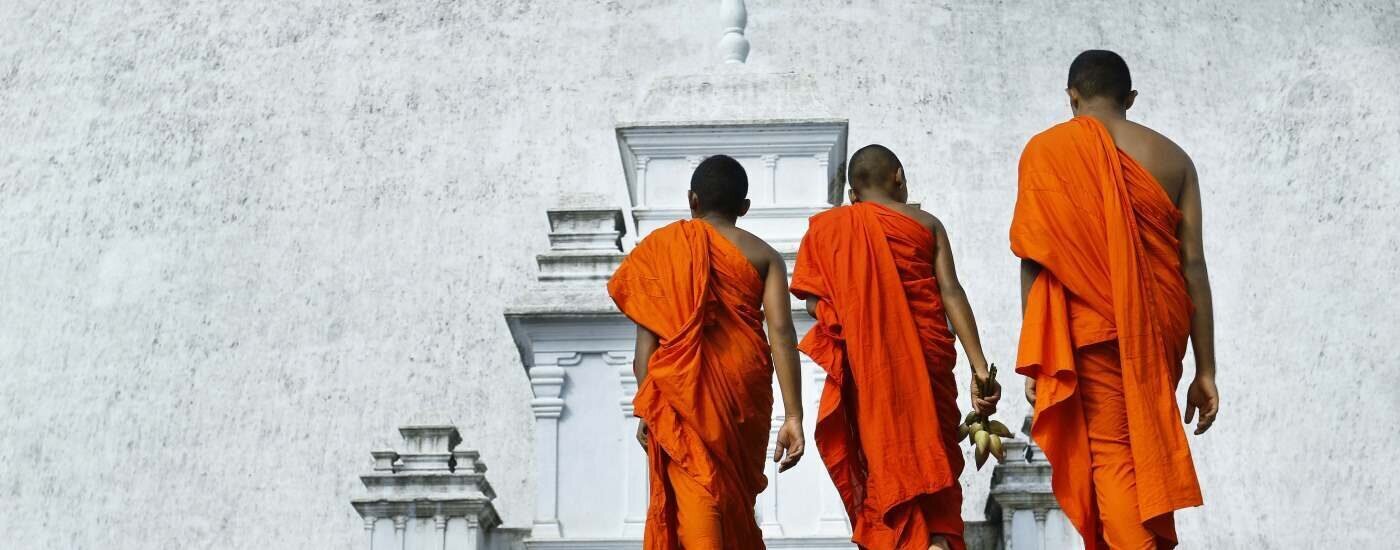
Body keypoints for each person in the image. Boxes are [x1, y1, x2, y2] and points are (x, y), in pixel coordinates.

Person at [1012, 49, 1220, 549]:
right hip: (1157, 332)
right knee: (1137, 451)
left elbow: (1036, 258)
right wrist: (1206, 370)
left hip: (1089, 331)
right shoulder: (1174, 159)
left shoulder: (1046, 150)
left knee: (1114, 457)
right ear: (1129, 98)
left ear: (1072, 96)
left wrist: (1039, 355)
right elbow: (1193, 264)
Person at [792, 144, 1000, 550]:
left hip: (872, 374)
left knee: (885, 465)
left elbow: (815, 303)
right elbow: (951, 292)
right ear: (899, 177)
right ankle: (937, 540)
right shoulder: (927, 224)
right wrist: (979, 368)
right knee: (933, 458)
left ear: (853, 194)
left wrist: (855, 318)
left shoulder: (828, 230)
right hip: (926, 366)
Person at [608, 154, 806, 549]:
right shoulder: (765, 256)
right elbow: (781, 334)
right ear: (744, 208)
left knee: (700, 490)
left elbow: (643, 351)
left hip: (681, 395)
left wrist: (652, 407)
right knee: (729, 497)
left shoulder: (662, 250)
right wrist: (794, 415)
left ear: (691, 200)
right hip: (742, 391)